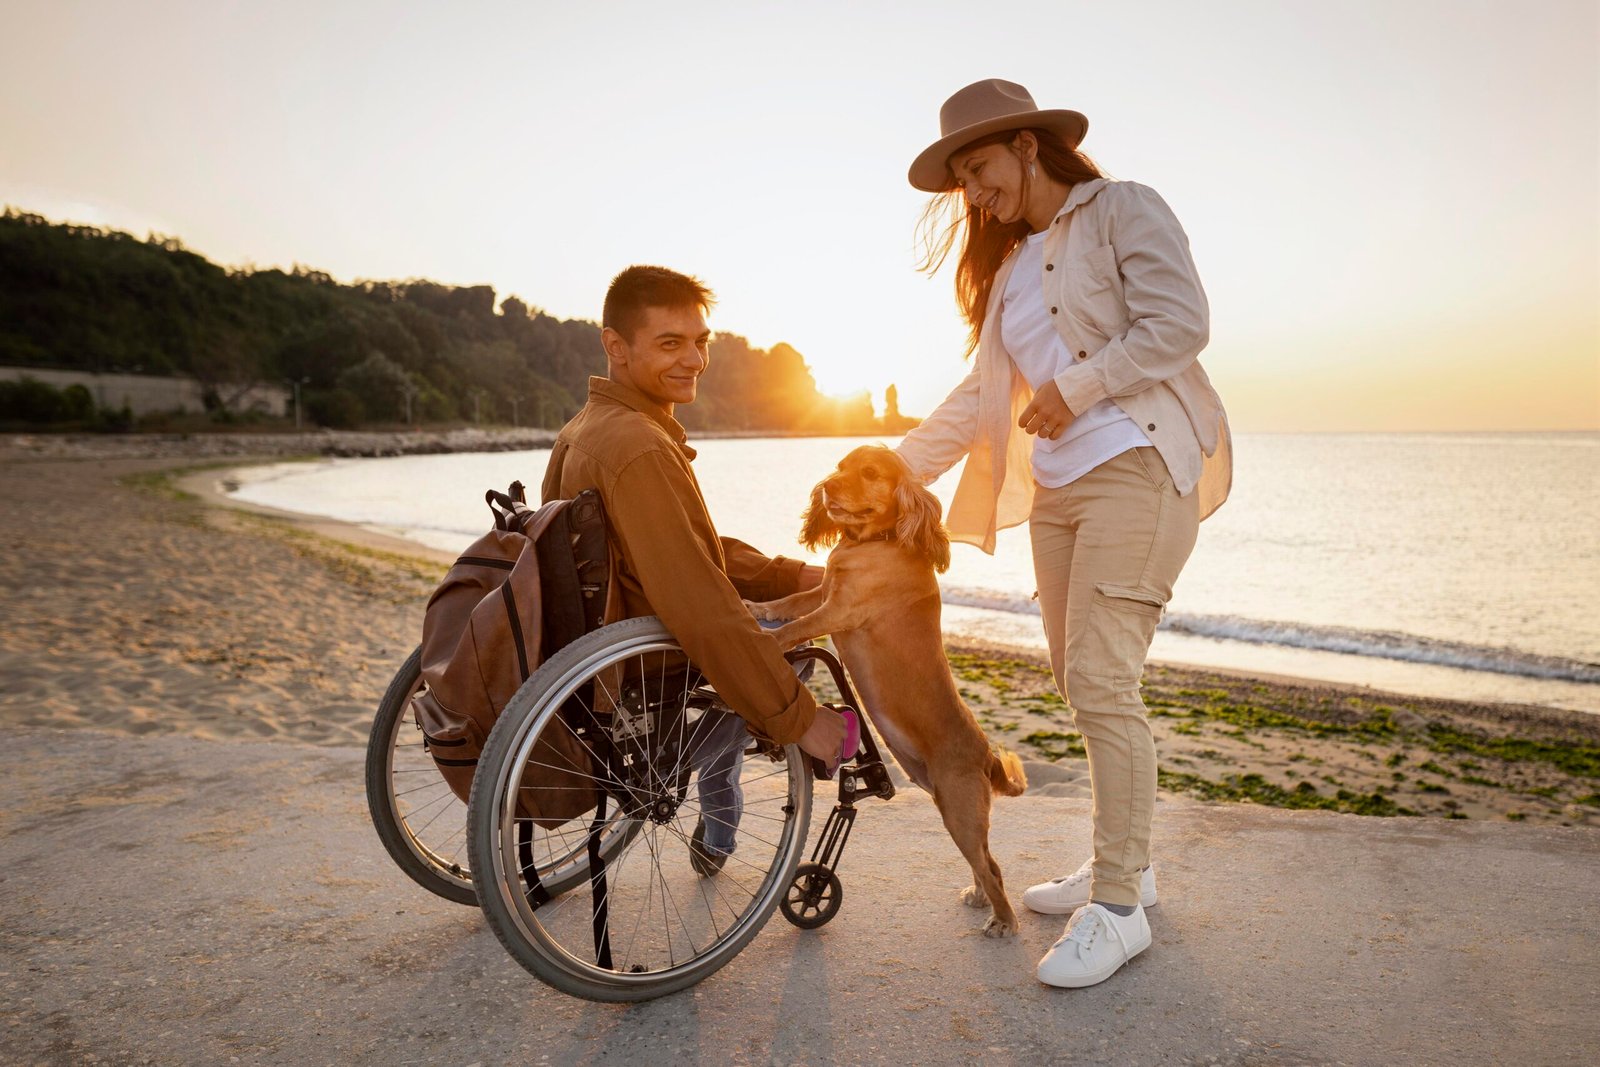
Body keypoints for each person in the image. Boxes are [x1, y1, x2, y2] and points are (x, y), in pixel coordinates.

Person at [896, 79, 1232, 988]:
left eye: (980, 167)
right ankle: (1129, 860)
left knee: (1099, 678)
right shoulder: (1010, 270)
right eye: (962, 177)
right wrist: (896, 469)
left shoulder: (1122, 209)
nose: (975, 192)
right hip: (1056, 496)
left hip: (1138, 467)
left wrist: (1077, 389)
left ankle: (1120, 907)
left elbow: (1181, 324)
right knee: (1083, 685)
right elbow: (979, 397)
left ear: (1029, 147)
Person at [541, 264, 849, 874]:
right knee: (795, 648)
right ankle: (695, 793)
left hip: (598, 638)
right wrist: (798, 719)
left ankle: (716, 826)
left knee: (769, 627)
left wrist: (792, 577)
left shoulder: (587, 428)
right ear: (616, 347)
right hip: (641, 656)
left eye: (700, 341)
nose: (695, 360)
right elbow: (703, 606)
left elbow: (689, 548)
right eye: (670, 344)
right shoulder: (639, 446)